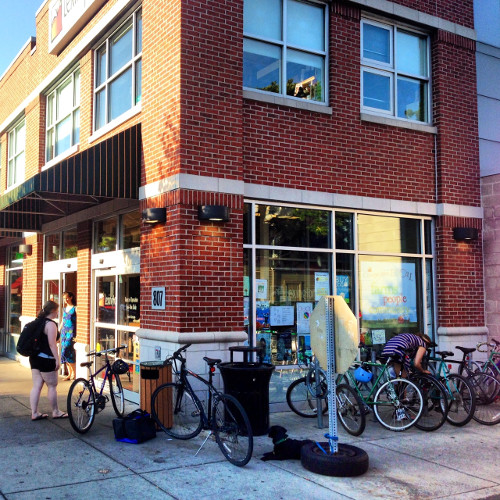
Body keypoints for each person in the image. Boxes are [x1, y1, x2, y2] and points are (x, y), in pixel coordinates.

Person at [29, 300, 68, 420]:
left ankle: (34, 413)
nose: (57, 313)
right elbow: (52, 344)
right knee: (52, 386)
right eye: (57, 311)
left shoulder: (37, 322)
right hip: (46, 359)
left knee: (36, 386)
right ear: (52, 311)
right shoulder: (50, 324)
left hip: (34, 358)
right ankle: (55, 411)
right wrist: (57, 359)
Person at [60, 291, 76, 381]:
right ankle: (69, 374)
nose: (66, 300)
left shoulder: (75, 308)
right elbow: (63, 320)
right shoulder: (64, 308)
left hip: (71, 332)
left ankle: (74, 372)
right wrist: (59, 331)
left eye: (67, 298)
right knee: (63, 353)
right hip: (64, 332)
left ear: (71, 297)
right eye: (64, 298)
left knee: (68, 351)